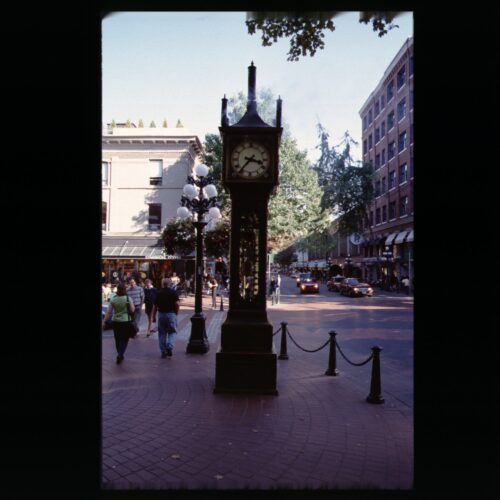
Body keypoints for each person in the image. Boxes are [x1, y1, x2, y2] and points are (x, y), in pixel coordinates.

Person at [102, 283, 135, 364]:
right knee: (125, 338)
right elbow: (132, 310)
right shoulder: (128, 298)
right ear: (124, 290)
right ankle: (120, 354)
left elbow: (109, 312)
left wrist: (104, 321)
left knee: (117, 338)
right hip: (125, 321)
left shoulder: (113, 299)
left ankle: (119, 353)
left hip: (115, 321)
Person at [152, 277, 180, 358]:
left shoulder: (158, 293)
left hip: (161, 314)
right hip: (171, 314)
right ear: (169, 284)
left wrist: (154, 316)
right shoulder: (173, 292)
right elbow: (177, 304)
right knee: (172, 331)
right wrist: (176, 313)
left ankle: (163, 350)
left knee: (162, 333)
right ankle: (169, 346)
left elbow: (155, 306)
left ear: (162, 284)